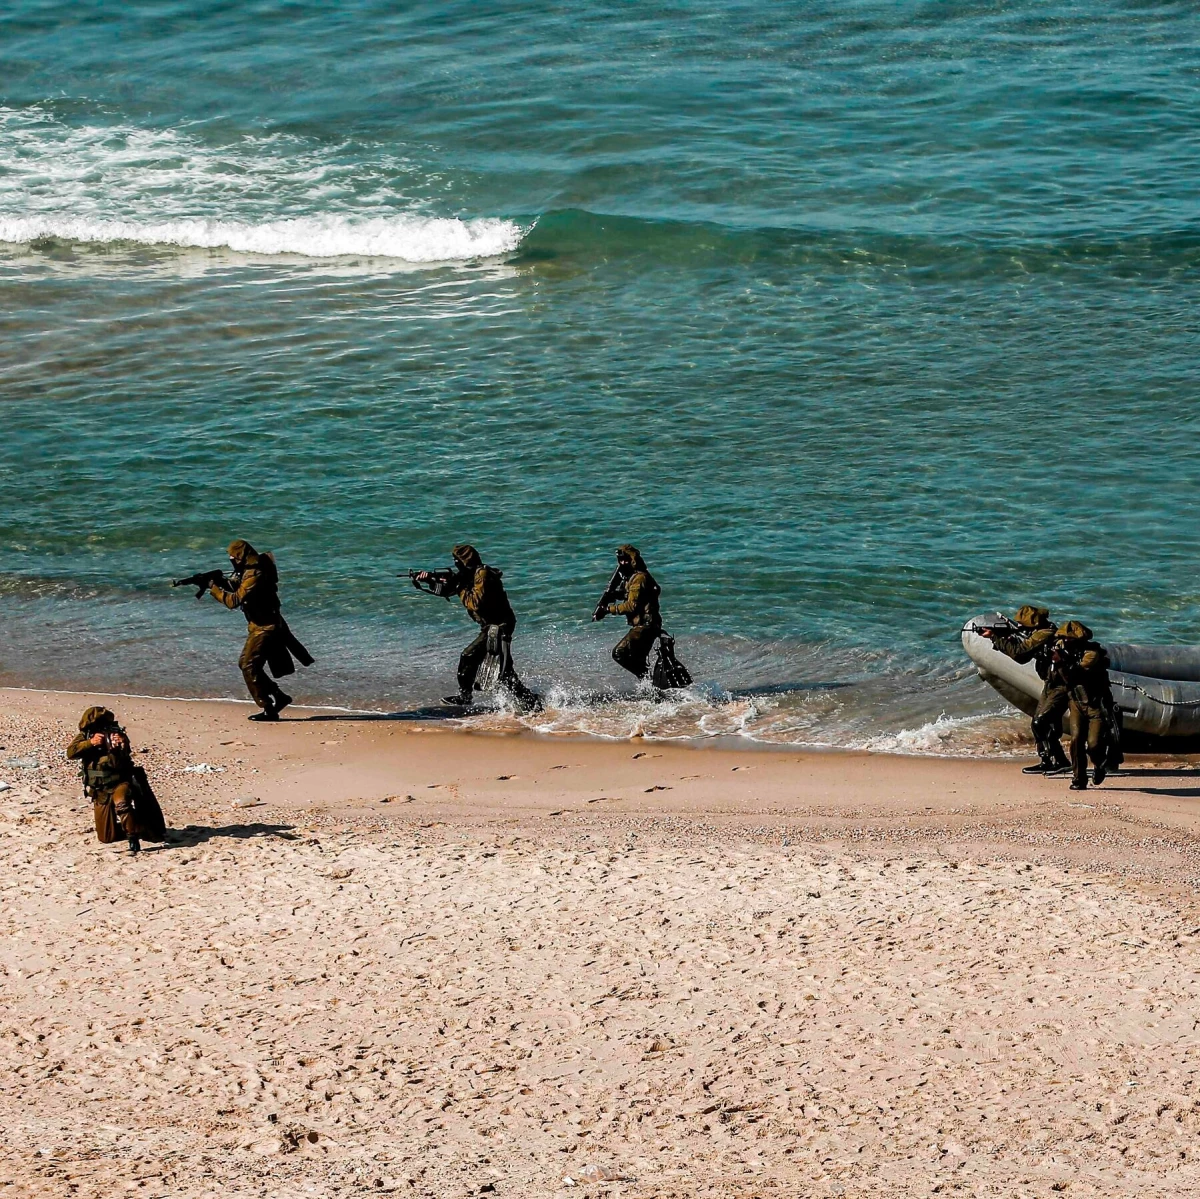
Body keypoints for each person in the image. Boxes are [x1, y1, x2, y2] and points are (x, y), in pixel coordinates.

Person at [416, 544, 539, 710]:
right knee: (504, 672)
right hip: (491, 626)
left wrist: (458, 586)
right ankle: (531, 702)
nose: (455, 564)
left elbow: (474, 603)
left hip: (499, 626)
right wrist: (430, 581)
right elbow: (447, 591)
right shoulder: (470, 575)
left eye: (457, 561)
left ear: (465, 561)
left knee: (469, 656)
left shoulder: (483, 575)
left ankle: (465, 697)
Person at [207, 539, 313, 722]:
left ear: (242, 557)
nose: (232, 560)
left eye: (234, 557)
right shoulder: (250, 571)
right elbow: (240, 588)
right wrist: (221, 582)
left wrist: (213, 589)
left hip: (266, 627)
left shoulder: (255, 573)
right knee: (246, 664)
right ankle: (279, 696)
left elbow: (234, 601)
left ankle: (268, 708)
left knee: (248, 665)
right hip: (260, 625)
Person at [978, 605, 1071, 775]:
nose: (1021, 627)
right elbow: (1025, 651)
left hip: (1062, 685)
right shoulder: (1039, 632)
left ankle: (1059, 761)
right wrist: (1006, 637)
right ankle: (1049, 761)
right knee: (1040, 723)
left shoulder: (1045, 634)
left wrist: (996, 638)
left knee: (1041, 722)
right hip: (1051, 683)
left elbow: (1020, 654)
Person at [66, 706, 165, 854]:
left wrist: (122, 744)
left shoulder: (117, 734)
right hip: (100, 789)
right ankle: (137, 825)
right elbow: (70, 753)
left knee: (122, 804)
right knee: (106, 837)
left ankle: (133, 838)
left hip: (120, 783)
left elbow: (126, 757)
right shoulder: (86, 736)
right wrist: (91, 743)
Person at [1053, 620, 1114, 790]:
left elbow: (1076, 674)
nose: (1064, 642)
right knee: (1076, 740)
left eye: (1069, 639)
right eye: (1063, 638)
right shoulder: (1062, 648)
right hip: (1076, 702)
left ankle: (1099, 763)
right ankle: (1079, 779)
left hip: (1095, 704)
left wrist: (1060, 662)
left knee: (1094, 743)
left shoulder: (1091, 653)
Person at [594, 545, 664, 680]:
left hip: (646, 625)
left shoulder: (639, 578)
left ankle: (648, 683)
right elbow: (632, 595)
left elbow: (632, 606)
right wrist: (614, 595)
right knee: (638, 660)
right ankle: (650, 689)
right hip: (646, 624)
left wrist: (608, 609)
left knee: (619, 653)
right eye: (620, 560)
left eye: (625, 560)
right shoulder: (633, 577)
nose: (622, 563)